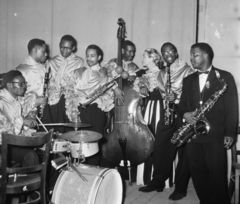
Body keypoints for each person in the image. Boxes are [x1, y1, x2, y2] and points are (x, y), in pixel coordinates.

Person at [178, 42, 238, 204]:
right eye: (191, 55)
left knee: (217, 176)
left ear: (206, 55)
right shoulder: (188, 80)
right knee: (198, 176)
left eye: (194, 55)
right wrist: (185, 114)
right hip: (193, 135)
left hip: (215, 135)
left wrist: (230, 133)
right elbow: (181, 105)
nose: (191, 58)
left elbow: (232, 108)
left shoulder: (225, 77)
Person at [138, 43, 194, 201]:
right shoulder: (161, 73)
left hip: (183, 113)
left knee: (184, 152)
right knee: (161, 146)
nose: (167, 54)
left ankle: (181, 188)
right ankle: (158, 182)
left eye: (170, 51)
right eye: (164, 52)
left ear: (176, 53)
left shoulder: (188, 70)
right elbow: (146, 83)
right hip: (168, 113)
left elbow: (191, 94)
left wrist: (176, 98)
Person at [74, 44, 122, 166]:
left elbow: (108, 83)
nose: (89, 58)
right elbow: (78, 89)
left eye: (93, 56)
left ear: (99, 57)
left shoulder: (103, 72)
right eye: (87, 55)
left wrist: (115, 87)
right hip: (83, 109)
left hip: (96, 109)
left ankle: (94, 169)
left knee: (94, 140)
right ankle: (85, 167)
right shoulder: (83, 72)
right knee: (84, 140)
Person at [0, 70, 39, 167]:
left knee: (35, 148)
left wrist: (26, 124)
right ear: (9, 85)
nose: (24, 87)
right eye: (21, 84)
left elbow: (16, 126)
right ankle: (32, 181)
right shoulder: (1, 101)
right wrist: (22, 121)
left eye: (24, 83)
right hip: (2, 144)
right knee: (30, 155)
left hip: (10, 143)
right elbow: (3, 131)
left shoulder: (16, 101)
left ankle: (30, 180)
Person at [47, 35, 84, 132]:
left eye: (67, 48)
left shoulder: (79, 62)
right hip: (54, 101)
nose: (64, 50)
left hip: (70, 100)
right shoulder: (51, 61)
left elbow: (81, 82)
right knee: (55, 128)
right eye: (62, 47)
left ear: (73, 48)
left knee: (69, 129)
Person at [15, 39, 48, 130]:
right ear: (35, 50)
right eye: (43, 51)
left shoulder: (43, 67)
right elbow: (16, 100)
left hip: (43, 112)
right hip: (28, 116)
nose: (46, 54)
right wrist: (35, 102)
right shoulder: (21, 70)